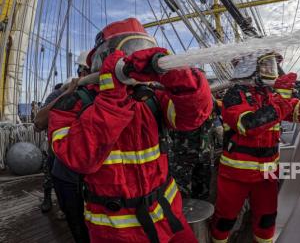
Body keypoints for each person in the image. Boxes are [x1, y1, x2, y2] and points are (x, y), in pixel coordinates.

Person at [48, 18, 212, 243]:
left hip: (168, 215)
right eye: (127, 52)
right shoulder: (73, 105)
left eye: (141, 50)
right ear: (105, 58)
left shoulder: (154, 98)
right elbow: (78, 159)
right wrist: (111, 97)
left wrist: (181, 78)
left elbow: (193, 118)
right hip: (116, 231)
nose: (134, 58)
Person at [210, 51, 300, 243]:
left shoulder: (271, 95)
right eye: (266, 65)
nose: (271, 71)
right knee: (225, 218)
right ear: (249, 68)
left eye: (272, 65)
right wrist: (281, 97)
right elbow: (249, 125)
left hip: (267, 174)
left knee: (267, 219)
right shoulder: (234, 95)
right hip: (235, 174)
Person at [34, 51, 91, 243]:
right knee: (72, 212)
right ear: (81, 71)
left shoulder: (98, 94)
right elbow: (39, 122)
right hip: (60, 162)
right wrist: (68, 94)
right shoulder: (60, 93)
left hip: (89, 168)